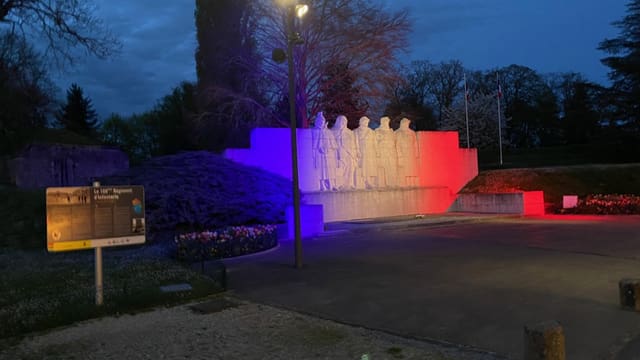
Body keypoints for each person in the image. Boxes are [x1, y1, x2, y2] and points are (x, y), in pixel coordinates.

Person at [311, 112, 338, 191]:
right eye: (319, 122)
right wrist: (319, 148)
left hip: (328, 154)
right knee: (321, 170)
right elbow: (314, 143)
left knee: (330, 170)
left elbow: (333, 143)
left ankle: (331, 184)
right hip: (320, 154)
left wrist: (329, 148)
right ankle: (322, 185)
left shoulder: (328, 131)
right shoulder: (315, 131)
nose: (321, 123)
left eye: (322, 122)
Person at [332, 115, 358, 189]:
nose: (343, 123)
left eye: (344, 121)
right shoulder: (333, 131)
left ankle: (349, 183)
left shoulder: (350, 132)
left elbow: (354, 143)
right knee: (340, 168)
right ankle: (339, 184)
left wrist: (355, 153)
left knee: (350, 168)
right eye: (341, 121)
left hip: (349, 153)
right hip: (339, 153)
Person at [354, 116, 379, 189]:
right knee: (364, 166)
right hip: (362, 150)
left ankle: (370, 180)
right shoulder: (356, 131)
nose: (365, 123)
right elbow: (356, 142)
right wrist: (358, 150)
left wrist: (377, 151)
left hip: (370, 151)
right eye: (364, 121)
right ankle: (366, 181)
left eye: (367, 122)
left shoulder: (371, 131)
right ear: (361, 122)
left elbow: (374, 142)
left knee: (371, 166)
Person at [395, 118, 420, 187]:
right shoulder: (398, 132)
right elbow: (397, 145)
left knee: (412, 168)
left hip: (411, 153)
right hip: (403, 153)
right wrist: (399, 155)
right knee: (405, 169)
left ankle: (412, 181)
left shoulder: (412, 133)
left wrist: (416, 153)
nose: (406, 124)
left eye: (407, 123)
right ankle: (405, 182)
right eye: (404, 123)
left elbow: (415, 143)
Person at [375, 116, 398, 188]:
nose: (386, 123)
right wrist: (377, 152)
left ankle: (393, 182)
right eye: (385, 121)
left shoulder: (391, 131)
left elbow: (395, 142)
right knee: (384, 167)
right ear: (382, 122)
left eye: (387, 121)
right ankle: (385, 183)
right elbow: (375, 142)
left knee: (392, 167)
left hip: (391, 152)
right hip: (383, 151)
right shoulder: (378, 130)